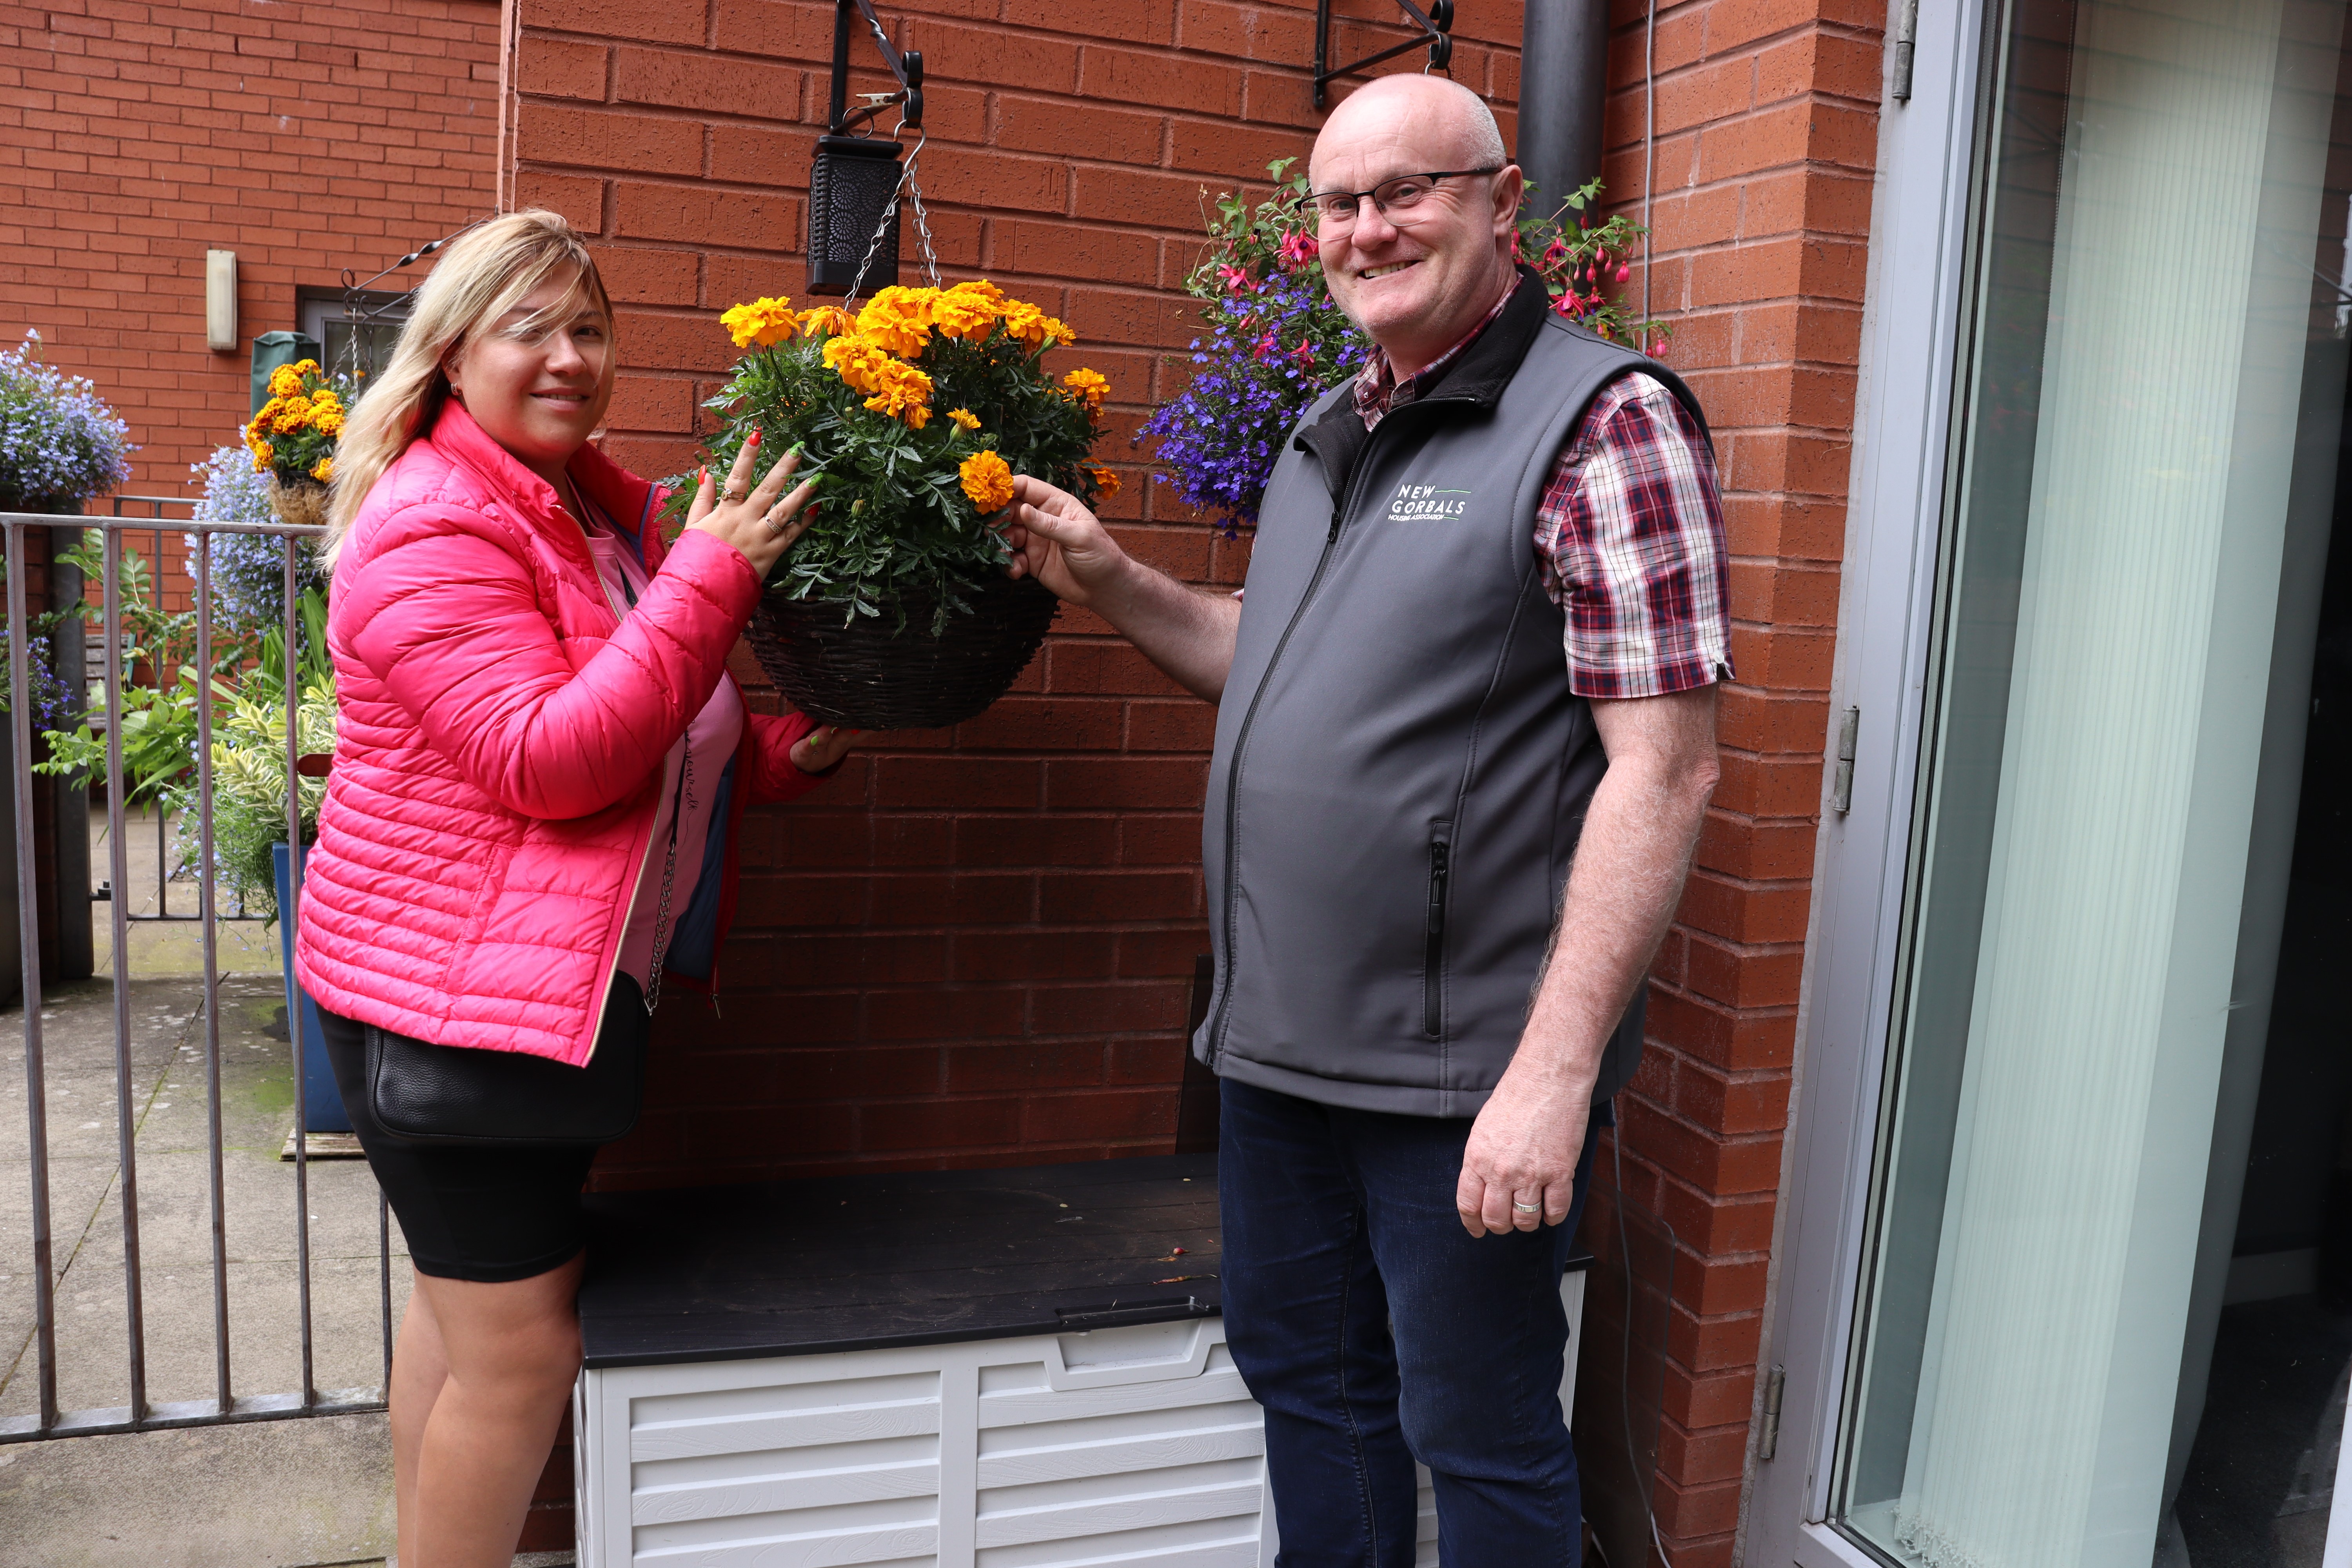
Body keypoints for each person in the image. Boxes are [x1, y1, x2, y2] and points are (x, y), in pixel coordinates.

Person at [998, 75, 1728, 1565]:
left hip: (1460, 1073)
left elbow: (1667, 770)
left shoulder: (1605, 424)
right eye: (1339, 203)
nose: (1368, 228)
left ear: (1503, 202)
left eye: (1410, 191)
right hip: (1283, 1048)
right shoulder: (1332, 427)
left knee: (1482, 1434)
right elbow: (1265, 664)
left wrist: (1554, 1074)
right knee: (1312, 1392)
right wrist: (1117, 582)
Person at [292, 210, 857, 1568]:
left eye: (589, 329)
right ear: (451, 353)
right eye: (527, 329)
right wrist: (715, 577)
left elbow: (649, 713)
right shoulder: (435, 524)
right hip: (453, 1008)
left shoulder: (576, 510)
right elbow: (546, 759)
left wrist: (772, 755)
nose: (567, 357)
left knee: (460, 1324)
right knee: (523, 1356)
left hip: (512, 988)